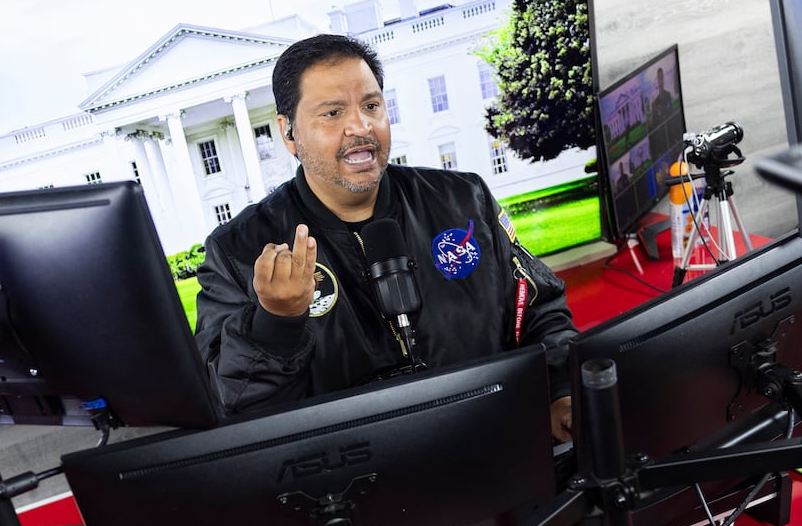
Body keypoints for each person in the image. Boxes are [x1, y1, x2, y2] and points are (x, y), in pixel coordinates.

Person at [195, 34, 577, 440]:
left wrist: (562, 391)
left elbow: (539, 309)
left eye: (372, 106)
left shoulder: (464, 201)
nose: (360, 127)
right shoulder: (237, 252)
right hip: (352, 483)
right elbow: (225, 410)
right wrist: (274, 322)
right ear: (289, 133)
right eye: (332, 113)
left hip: (497, 444)